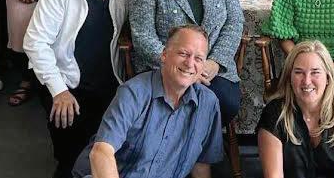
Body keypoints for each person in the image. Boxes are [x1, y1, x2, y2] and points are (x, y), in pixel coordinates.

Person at [23, 0, 135, 177]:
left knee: (108, 156)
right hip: (67, 85)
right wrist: (58, 90)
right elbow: (35, 41)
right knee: (72, 162)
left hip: (110, 86)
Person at [72, 25, 225, 178]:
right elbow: (101, 153)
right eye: (183, 53)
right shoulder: (134, 92)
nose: (190, 63)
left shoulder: (208, 103)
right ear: (164, 55)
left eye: (198, 58)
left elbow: (201, 164)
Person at [257, 40, 334, 178]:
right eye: (299, 72)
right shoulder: (274, 114)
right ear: (289, 77)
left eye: (315, 72)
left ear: (328, 77)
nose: (307, 81)